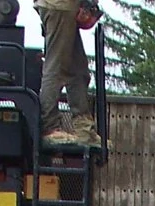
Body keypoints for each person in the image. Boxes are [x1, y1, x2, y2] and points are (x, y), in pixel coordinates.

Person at [39, 0, 101, 146]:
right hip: (61, 6)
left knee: (78, 70)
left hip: (63, 6)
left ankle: (84, 129)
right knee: (55, 67)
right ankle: (49, 128)